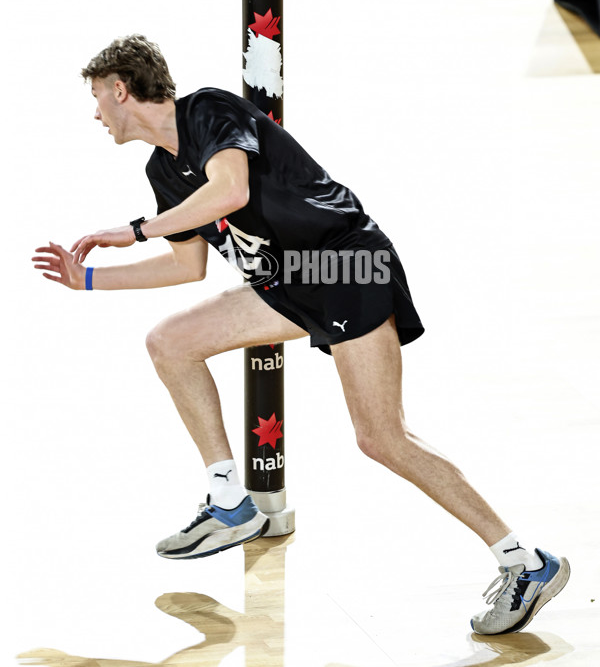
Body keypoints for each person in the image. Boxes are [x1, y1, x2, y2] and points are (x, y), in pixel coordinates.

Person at [33, 34, 569, 635]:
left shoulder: (209, 110)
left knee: (381, 437)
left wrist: (134, 230)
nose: (95, 113)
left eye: (97, 98)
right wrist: (88, 281)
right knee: (170, 342)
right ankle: (228, 500)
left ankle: (525, 561)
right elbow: (187, 265)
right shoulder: (163, 169)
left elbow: (230, 190)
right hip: (288, 282)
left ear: (120, 89)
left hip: (343, 263)